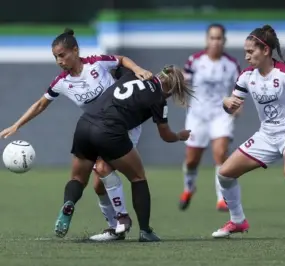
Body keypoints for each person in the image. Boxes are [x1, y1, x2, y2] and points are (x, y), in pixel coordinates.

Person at [0, 28, 153, 241]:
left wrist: (139, 69)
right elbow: (40, 104)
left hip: (125, 127)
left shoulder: (97, 63)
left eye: (62, 55)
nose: (59, 61)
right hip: (100, 129)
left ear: (75, 50)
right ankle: (114, 227)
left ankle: (121, 220)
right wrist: (17, 125)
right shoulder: (62, 81)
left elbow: (121, 59)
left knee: (102, 171)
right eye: (55, 57)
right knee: (99, 183)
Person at [56, 65, 192, 241]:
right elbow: (165, 135)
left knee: (79, 179)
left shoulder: (131, 74)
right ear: (171, 87)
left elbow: (118, 64)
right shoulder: (158, 98)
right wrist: (179, 136)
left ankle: (70, 204)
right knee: (138, 177)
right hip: (109, 130)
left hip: (85, 123)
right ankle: (144, 231)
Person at [212, 24, 285, 238]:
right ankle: (237, 221)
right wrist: (227, 102)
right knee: (225, 174)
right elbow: (231, 106)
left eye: (250, 51)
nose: (246, 57)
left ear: (265, 50)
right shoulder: (247, 76)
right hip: (266, 135)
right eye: (245, 52)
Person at [179, 24, 241, 211]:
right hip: (197, 116)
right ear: (207, 40)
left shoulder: (231, 64)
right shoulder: (195, 61)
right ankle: (189, 188)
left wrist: (237, 105)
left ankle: (221, 198)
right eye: (212, 38)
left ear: (224, 40)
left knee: (221, 153)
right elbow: (183, 81)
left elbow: (239, 90)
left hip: (221, 115)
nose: (215, 42)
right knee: (191, 160)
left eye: (219, 38)